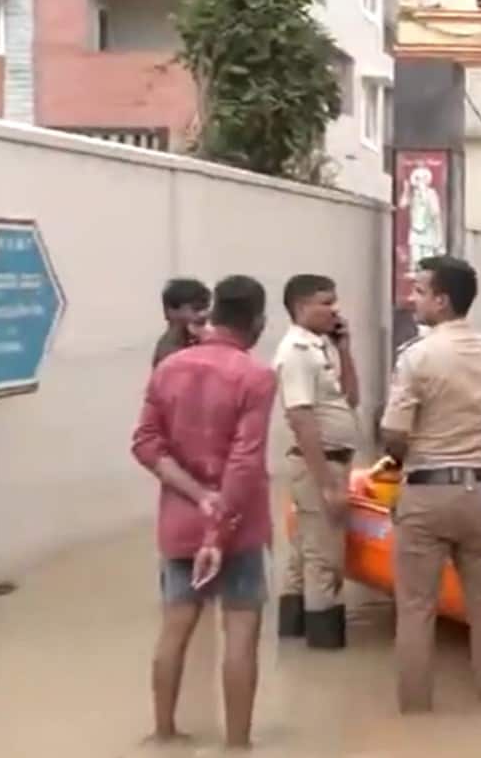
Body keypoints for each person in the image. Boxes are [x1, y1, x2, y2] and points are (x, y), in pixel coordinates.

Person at [130, 275, 277, 748]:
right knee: (240, 627)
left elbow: (145, 444)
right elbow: (245, 459)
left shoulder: (168, 369)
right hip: (238, 521)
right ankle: (238, 743)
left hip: (180, 518)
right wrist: (218, 520)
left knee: (175, 626)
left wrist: (195, 495)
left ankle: (164, 732)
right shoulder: (255, 375)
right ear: (257, 321)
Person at [379, 255, 481, 713]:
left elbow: (394, 432)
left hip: (427, 490)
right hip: (480, 494)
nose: (411, 298)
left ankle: (416, 722)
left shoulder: (417, 357)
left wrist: (400, 456)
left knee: (416, 610)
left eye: (418, 291)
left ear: (442, 300)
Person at [273, 274, 360, 649]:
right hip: (319, 465)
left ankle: (293, 635)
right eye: (326, 302)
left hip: (331, 462)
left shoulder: (319, 349)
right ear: (301, 307)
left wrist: (345, 350)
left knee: (305, 554)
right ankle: (325, 645)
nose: (335, 309)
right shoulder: (295, 352)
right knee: (326, 559)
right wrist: (327, 484)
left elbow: (350, 400)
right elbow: (301, 419)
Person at [153, 278, 211, 367]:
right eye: (196, 309)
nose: (204, 314)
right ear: (171, 311)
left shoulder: (196, 339)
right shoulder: (169, 352)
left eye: (206, 308)